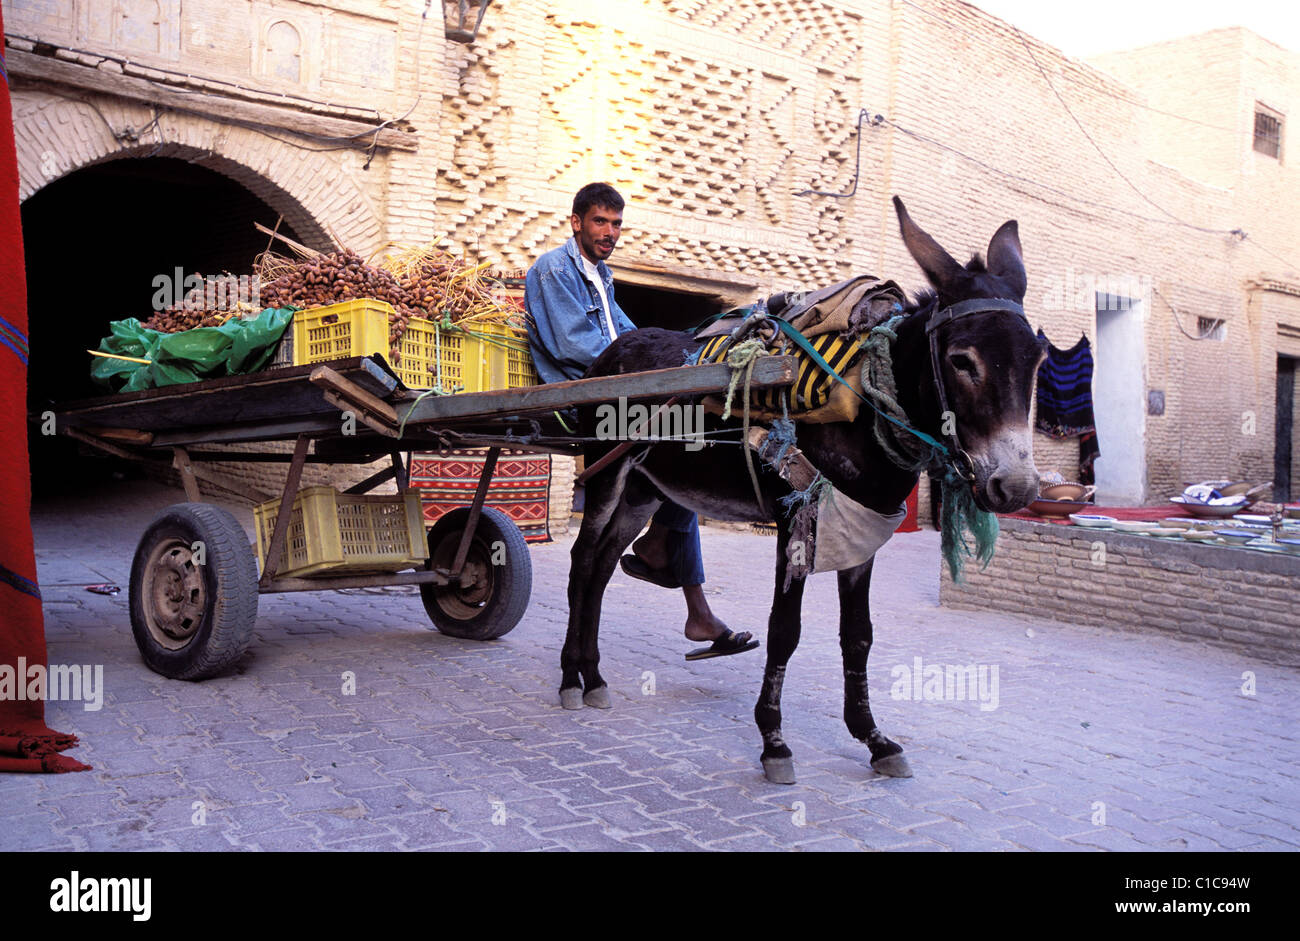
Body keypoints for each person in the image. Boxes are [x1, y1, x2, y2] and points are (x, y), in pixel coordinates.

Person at [525, 182, 757, 660]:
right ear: (576, 222)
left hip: (619, 388)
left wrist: (677, 354)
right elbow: (572, 345)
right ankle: (666, 559)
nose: (609, 232)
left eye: (616, 224)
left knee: (692, 439)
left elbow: (628, 333)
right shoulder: (553, 270)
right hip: (584, 394)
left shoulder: (602, 275)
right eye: (599, 222)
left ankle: (673, 570)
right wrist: (641, 374)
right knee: (682, 437)